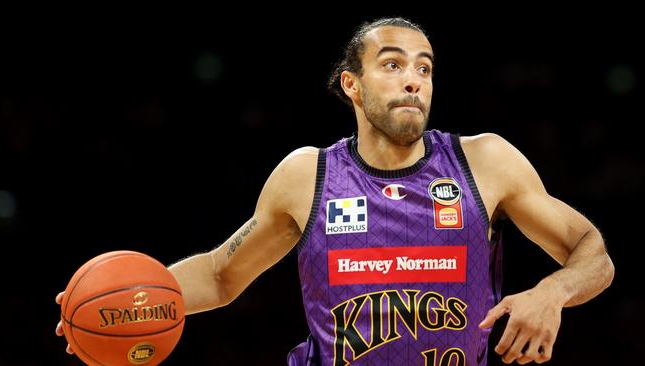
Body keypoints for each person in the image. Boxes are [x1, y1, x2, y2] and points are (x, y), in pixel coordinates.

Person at [56, 17, 614, 365]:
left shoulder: (484, 161)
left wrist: (552, 294)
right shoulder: (308, 175)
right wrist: (126, 300)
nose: (413, 79)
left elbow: (593, 253)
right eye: (392, 64)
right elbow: (220, 276)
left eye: (424, 67)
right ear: (352, 84)